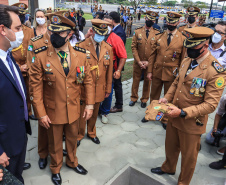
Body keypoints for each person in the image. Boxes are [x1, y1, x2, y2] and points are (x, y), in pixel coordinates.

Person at [151, 27, 226, 185]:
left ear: (205, 46)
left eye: (194, 47)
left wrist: (183, 112)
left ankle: (183, 182)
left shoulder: (215, 70)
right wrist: (166, 98)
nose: (189, 50)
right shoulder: (187, 59)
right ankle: (168, 167)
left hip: (191, 121)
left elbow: (211, 105)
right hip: (173, 114)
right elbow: (176, 82)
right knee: (170, 146)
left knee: (188, 156)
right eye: (188, 46)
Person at [29, 14, 95, 185]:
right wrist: (41, 114)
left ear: (70, 34)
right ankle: (56, 168)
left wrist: (89, 105)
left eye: (60, 34)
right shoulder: (42, 56)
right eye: (53, 33)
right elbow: (35, 88)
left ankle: (72, 162)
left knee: (73, 139)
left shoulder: (81, 55)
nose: (55, 37)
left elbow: (87, 81)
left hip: (74, 108)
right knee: (55, 142)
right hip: (53, 110)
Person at [0, 5, 31, 183]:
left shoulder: (8, 55)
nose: (22, 33)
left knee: (18, 174)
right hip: (5, 145)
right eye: (18, 29)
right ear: (3, 30)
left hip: (18, 134)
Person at [142, 12, 186, 125]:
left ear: (178, 22)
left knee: (169, 97)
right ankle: (150, 113)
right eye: (168, 21)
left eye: (173, 22)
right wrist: (150, 71)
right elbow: (152, 56)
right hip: (157, 71)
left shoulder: (182, 39)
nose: (170, 24)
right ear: (166, 22)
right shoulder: (159, 36)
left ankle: (166, 119)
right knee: (154, 95)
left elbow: (183, 60)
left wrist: (180, 75)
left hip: (172, 73)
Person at [77, 19, 113, 146]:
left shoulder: (108, 48)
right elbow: (78, 69)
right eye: (98, 33)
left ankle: (91, 132)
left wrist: (108, 88)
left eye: (103, 34)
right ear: (92, 31)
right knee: (82, 112)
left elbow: (109, 71)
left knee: (94, 112)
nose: (100, 36)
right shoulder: (81, 46)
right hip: (84, 88)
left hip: (99, 88)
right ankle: (79, 134)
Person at [98, 15, 127, 124]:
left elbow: (123, 56)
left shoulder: (116, 38)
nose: (107, 26)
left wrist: (118, 70)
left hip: (109, 70)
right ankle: (97, 109)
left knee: (108, 92)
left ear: (112, 25)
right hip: (95, 69)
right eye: (104, 24)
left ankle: (105, 112)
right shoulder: (96, 35)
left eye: (109, 25)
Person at [129, 11, 161, 109]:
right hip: (138, 62)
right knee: (136, 80)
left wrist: (148, 63)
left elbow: (156, 50)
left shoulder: (157, 33)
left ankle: (144, 99)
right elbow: (133, 47)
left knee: (147, 82)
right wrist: (139, 61)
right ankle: (134, 98)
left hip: (149, 64)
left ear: (154, 21)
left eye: (152, 20)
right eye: (148, 19)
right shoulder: (138, 31)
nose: (150, 21)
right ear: (145, 18)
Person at [11, 3, 35, 125]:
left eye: (23, 15)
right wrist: (18, 67)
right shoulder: (9, 30)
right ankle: (20, 113)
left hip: (28, 66)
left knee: (29, 90)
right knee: (18, 93)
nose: (21, 17)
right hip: (15, 68)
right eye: (19, 15)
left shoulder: (30, 31)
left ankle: (29, 112)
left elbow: (32, 48)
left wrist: (28, 64)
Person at [109, 11, 126, 113]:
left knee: (117, 85)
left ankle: (119, 105)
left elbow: (120, 51)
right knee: (116, 84)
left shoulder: (118, 32)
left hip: (117, 63)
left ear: (112, 20)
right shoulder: (117, 29)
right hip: (115, 63)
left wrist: (118, 69)